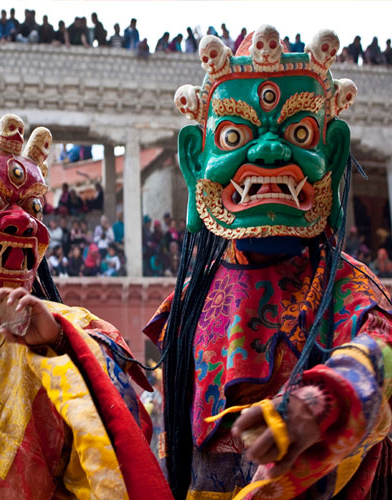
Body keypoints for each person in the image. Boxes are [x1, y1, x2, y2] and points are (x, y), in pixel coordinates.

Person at [146, 26, 391, 499]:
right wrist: (60, 343)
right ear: (196, 161)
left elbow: (381, 354)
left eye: (300, 132)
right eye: (236, 134)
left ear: (333, 155)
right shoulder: (189, 302)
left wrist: (317, 404)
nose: (270, 151)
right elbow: (158, 426)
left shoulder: (347, 289)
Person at [0, 110, 172, 499]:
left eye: (33, 208)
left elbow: (120, 468)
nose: (24, 223)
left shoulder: (78, 336)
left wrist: (59, 346)